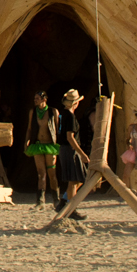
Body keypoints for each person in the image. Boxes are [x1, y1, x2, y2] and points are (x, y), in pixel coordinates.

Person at [23, 91, 62, 208]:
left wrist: (61, 143)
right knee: (41, 173)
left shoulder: (53, 112)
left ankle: (56, 199)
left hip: (50, 146)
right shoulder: (33, 112)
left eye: (37, 98)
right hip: (38, 146)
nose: (35, 100)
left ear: (44, 99)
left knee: (52, 174)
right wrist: (26, 141)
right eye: (35, 98)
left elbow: (58, 128)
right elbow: (30, 128)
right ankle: (40, 200)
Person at [55, 90, 90, 218]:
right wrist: (81, 153)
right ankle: (71, 208)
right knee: (73, 180)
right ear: (75, 103)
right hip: (70, 149)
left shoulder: (63, 114)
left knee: (79, 178)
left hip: (65, 149)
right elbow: (70, 137)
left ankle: (64, 201)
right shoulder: (70, 116)